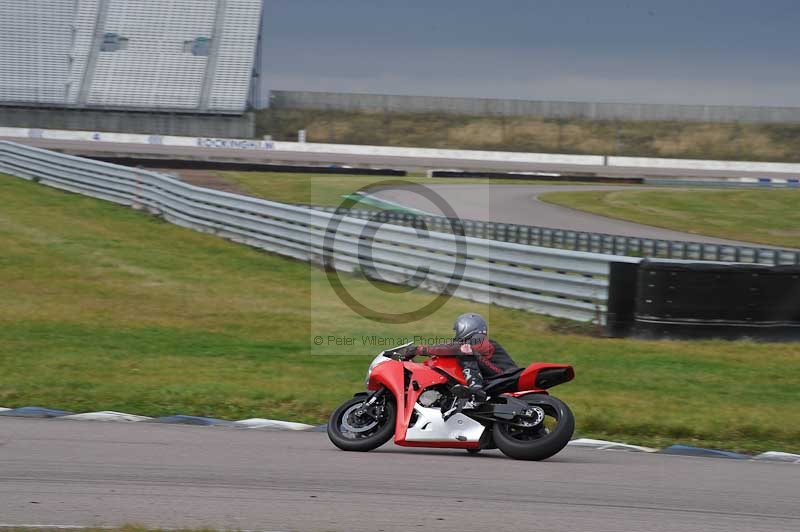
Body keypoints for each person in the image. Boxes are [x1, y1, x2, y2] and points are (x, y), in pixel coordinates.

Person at [406, 313, 518, 402]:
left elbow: (456, 348)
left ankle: (476, 388)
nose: (456, 334)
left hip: (505, 377)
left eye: (457, 330)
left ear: (466, 327)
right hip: (498, 379)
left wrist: (420, 350)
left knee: (464, 350)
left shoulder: (481, 339)